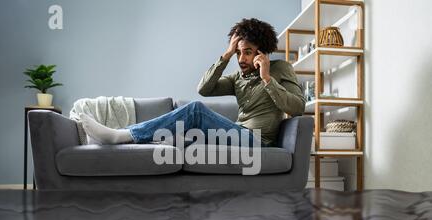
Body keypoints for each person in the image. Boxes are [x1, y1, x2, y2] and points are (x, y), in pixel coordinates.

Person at [81, 18, 305, 148]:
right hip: (237, 132)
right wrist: (225, 56)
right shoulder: (238, 78)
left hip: (257, 141)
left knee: (195, 111)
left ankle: (120, 135)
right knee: (182, 131)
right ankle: (125, 136)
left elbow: (298, 107)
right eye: (238, 53)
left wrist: (266, 78)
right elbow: (204, 89)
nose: (241, 59)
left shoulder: (280, 69)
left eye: (247, 53)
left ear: (262, 52)